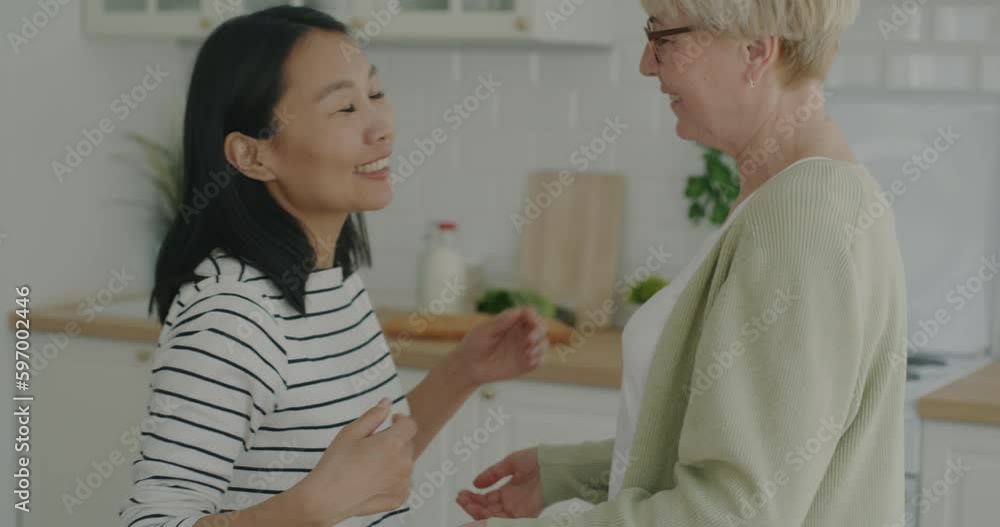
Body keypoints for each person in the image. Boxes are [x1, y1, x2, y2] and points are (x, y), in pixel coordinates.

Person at [456, 0, 909, 526]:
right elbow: (758, 454)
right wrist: (575, 472)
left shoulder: (801, 216)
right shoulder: (805, 195)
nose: (646, 63)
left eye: (664, 38)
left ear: (755, 52)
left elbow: (733, 512)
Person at [120, 7, 547, 527]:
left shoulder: (330, 283)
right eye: (345, 107)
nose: (382, 127)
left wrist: (463, 372)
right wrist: (311, 507)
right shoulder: (230, 316)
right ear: (252, 155)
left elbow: (367, 477)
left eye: (375, 93)